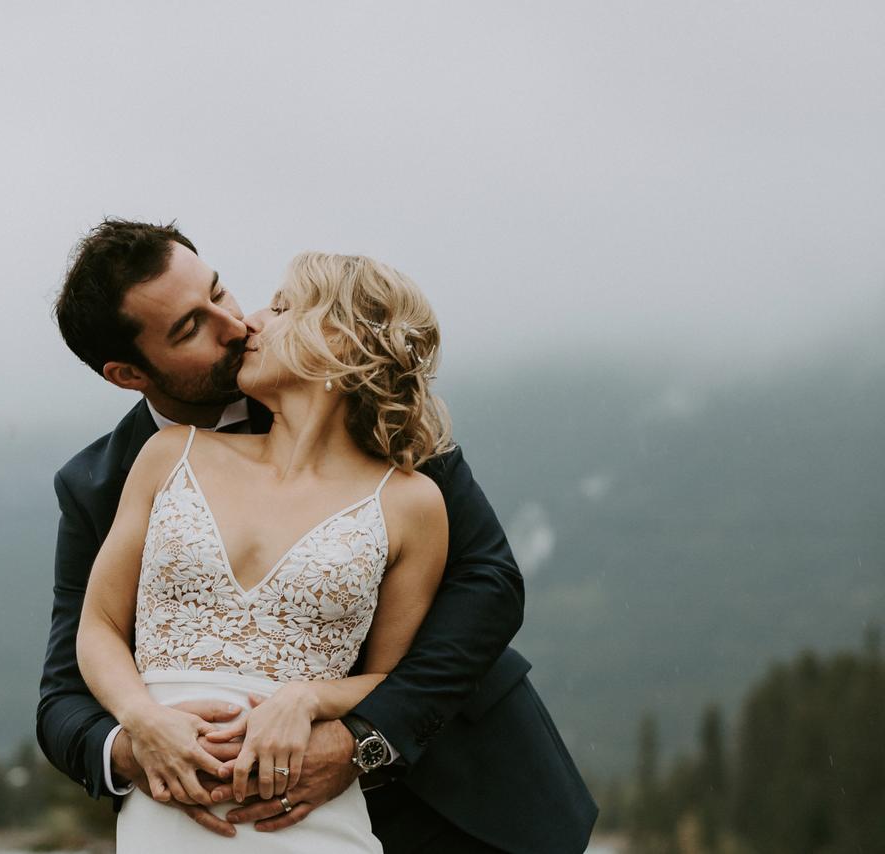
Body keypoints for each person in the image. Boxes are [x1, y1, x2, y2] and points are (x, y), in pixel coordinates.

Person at [38, 220, 598, 853]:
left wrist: (360, 738)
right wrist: (142, 746)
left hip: (455, 798)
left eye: (219, 292)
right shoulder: (110, 480)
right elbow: (65, 691)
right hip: (199, 820)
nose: (235, 323)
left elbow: (488, 584)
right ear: (129, 373)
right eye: (190, 327)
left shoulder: (376, 421)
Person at [77, 250, 451, 852]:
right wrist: (141, 721)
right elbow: (97, 624)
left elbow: (391, 678)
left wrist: (308, 698)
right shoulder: (170, 455)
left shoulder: (414, 502)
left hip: (310, 824)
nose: (248, 320)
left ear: (341, 340)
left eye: (280, 307)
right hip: (165, 821)